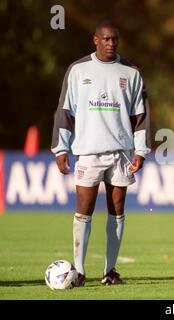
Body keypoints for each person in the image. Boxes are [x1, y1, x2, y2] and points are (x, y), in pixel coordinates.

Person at [51, 20, 151, 286]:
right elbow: (64, 112)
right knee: (84, 210)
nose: (111, 44)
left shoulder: (131, 73)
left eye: (115, 39)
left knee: (117, 210)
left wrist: (140, 151)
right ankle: (80, 270)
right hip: (88, 153)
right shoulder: (77, 70)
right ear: (95, 40)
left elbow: (140, 116)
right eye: (105, 39)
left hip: (121, 154)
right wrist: (61, 148)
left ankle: (110, 271)